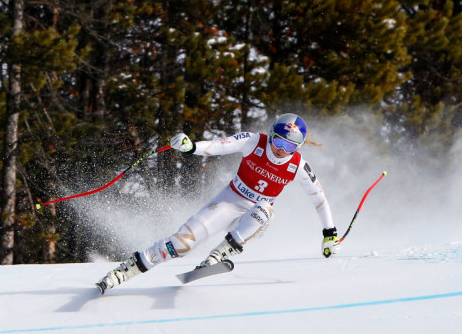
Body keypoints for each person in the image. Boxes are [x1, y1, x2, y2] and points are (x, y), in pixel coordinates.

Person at [96, 113, 341, 294]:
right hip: (229, 202)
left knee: (265, 209)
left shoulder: (297, 165)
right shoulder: (254, 141)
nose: (280, 150)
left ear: (298, 147)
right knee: (180, 244)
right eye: (278, 142)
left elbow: (318, 198)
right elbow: (219, 146)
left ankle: (221, 253)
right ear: (271, 136)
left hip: (253, 218)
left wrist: (329, 232)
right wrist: (191, 147)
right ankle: (124, 272)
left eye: (289, 146)